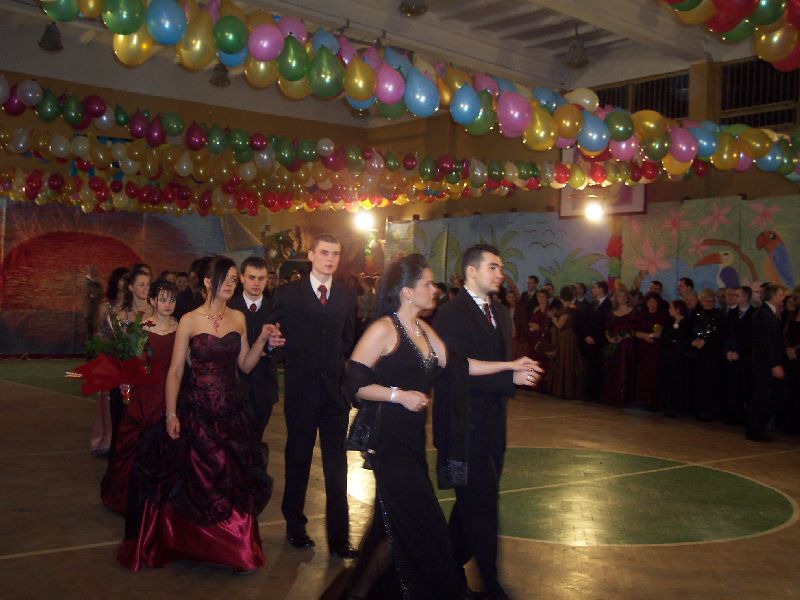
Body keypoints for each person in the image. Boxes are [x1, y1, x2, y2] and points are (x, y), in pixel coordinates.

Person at [331, 254, 539, 600]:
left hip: (413, 444)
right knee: (425, 526)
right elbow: (353, 383)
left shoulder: (424, 330)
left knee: (391, 530)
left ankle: (359, 593)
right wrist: (398, 395)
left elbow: (460, 365)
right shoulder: (383, 329)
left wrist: (509, 368)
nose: (435, 290)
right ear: (407, 292)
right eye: (427, 284)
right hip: (389, 444)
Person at [118, 256, 283, 572]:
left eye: (234, 279)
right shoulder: (189, 320)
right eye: (226, 278)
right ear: (208, 282)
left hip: (231, 413)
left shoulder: (238, 318)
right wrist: (171, 414)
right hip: (197, 410)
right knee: (193, 480)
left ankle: (233, 549)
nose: (231, 284)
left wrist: (262, 339)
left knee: (230, 478)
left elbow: (246, 365)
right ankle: (189, 542)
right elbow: (176, 371)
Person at [432, 244, 524, 600]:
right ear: (471, 271)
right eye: (493, 267)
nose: (500, 273)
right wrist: (510, 376)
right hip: (464, 426)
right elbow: (456, 370)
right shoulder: (450, 314)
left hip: (494, 426)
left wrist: (512, 375)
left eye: (500, 267)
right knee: (483, 507)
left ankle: (443, 569)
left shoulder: (500, 313)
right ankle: (491, 585)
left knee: (470, 504)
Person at [265, 233, 358, 557]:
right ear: (311, 255)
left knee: (337, 465)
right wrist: (276, 347)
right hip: (301, 390)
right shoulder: (288, 293)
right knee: (298, 458)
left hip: (334, 393)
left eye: (335, 253)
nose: (330, 258)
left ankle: (339, 537)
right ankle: (295, 526)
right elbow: (273, 335)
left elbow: (348, 337)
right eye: (324, 252)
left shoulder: (346, 294)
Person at [101, 279, 178, 514]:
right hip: (143, 396)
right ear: (152, 300)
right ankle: (129, 498)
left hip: (170, 395)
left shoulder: (181, 328)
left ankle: (160, 504)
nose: (168, 304)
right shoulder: (140, 328)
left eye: (172, 300)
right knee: (133, 445)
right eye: (162, 299)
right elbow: (130, 364)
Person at [228, 256, 280, 443]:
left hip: (264, 385)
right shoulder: (229, 306)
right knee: (235, 439)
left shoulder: (276, 308)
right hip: (234, 384)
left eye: (261, 278)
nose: (257, 283)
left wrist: (271, 348)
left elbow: (286, 345)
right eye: (251, 277)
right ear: (241, 278)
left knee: (256, 438)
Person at [89, 266, 129, 458]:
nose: (124, 283)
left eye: (127, 280)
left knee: (125, 401)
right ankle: (104, 441)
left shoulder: (132, 309)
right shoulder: (105, 307)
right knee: (105, 401)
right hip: (108, 359)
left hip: (126, 361)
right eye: (121, 279)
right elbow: (98, 334)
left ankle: (122, 442)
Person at [747, 284, 787, 441]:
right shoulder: (762, 314)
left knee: (775, 395)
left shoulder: (771, 313)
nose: (783, 297)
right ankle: (754, 430)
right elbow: (764, 342)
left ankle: (758, 427)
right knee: (760, 397)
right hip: (764, 365)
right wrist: (774, 364)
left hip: (769, 363)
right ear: (773, 296)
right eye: (781, 294)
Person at [721, 286, 753, 425]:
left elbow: (752, 338)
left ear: (746, 297)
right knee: (731, 386)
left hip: (745, 357)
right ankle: (732, 414)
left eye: (738, 295)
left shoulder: (754, 314)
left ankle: (745, 416)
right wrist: (727, 351)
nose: (734, 297)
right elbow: (726, 334)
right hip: (731, 356)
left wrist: (740, 352)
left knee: (745, 387)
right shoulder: (732, 313)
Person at [633, 293, 669, 411]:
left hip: (655, 348)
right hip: (643, 348)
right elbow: (635, 332)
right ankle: (644, 400)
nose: (652, 304)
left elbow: (657, 333)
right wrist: (644, 335)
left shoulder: (661, 315)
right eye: (650, 302)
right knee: (643, 373)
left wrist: (649, 336)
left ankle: (654, 401)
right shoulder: (642, 315)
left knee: (654, 373)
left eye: (654, 302)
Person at [602, 287, 637, 407]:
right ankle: (612, 397)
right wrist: (610, 338)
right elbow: (607, 328)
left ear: (627, 297)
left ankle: (624, 398)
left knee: (624, 370)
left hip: (626, 346)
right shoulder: (611, 313)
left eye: (624, 296)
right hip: (614, 345)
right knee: (613, 370)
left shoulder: (633, 311)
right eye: (619, 296)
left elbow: (634, 329)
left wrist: (622, 337)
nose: (622, 298)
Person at [550, 285, 584, 400]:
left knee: (564, 362)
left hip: (565, 338)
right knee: (568, 362)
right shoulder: (573, 307)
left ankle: (564, 389)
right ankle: (568, 389)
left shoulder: (567, 310)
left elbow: (560, 325)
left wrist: (553, 319)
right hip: (570, 337)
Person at [581, 280, 612, 403]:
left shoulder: (609, 305)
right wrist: (586, 335)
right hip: (589, 341)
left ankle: (598, 394)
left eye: (594, 288)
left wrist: (596, 337)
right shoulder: (591, 304)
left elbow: (606, 324)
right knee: (590, 367)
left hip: (601, 341)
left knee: (599, 368)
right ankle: (590, 393)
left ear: (601, 289)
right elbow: (584, 322)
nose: (592, 290)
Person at [662, 299, 692, 417]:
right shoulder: (669, 321)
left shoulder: (686, 322)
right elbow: (666, 336)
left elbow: (684, 339)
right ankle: (669, 406)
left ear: (678, 310)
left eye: (671, 308)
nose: (669, 310)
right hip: (669, 356)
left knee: (678, 381)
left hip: (680, 357)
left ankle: (677, 408)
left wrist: (675, 340)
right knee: (669, 380)